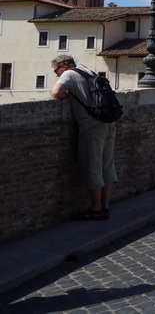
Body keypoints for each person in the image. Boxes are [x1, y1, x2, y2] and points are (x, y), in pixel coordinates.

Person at [50, 55, 117, 221]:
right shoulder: (88, 71)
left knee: (93, 169)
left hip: (91, 127)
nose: (57, 75)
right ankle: (105, 208)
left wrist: (66, 95)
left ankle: (95, 210)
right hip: (108, 123)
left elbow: (55, 93)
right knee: (107, 168)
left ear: (62, 66)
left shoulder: (69, 74)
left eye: (56, 71)